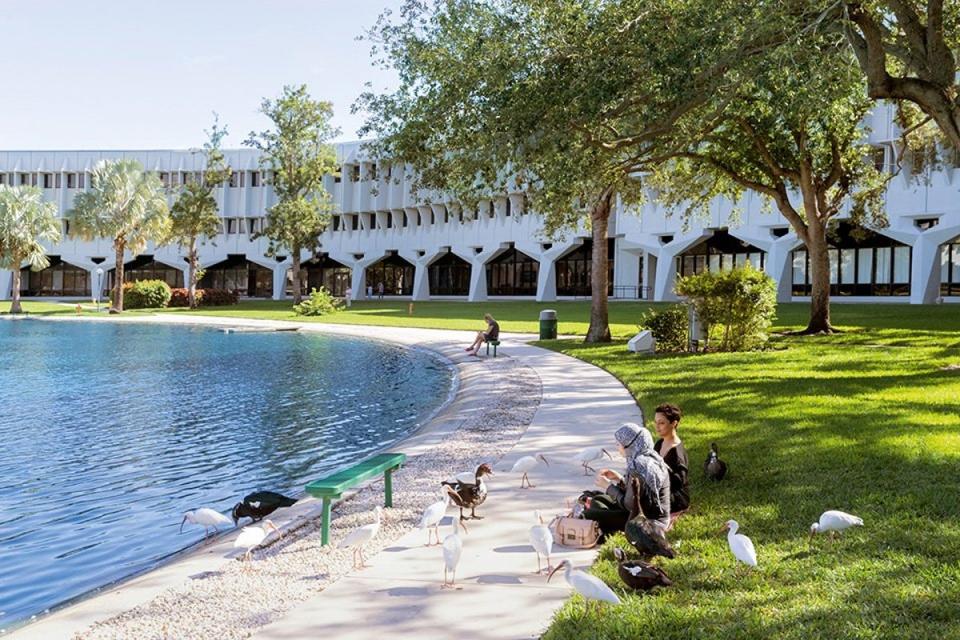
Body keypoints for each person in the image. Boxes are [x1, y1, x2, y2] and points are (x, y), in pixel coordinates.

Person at [594, 422, 671, 529]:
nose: (617, 447)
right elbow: (638, 492)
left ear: (629, 446)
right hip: (655, 517)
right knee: (599, 499)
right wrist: (619, 479)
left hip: (648, 523)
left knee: (593, 512)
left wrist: (608, 487)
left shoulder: (638, 466)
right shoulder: (650, 457)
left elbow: (629, 505)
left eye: (618, 444)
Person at [652, 403, 690, 527]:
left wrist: (663, 469)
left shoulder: (676, 452)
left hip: (676, 498)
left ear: (673, 423)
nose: (657, 427)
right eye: (655, 422)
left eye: (661, 423)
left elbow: (680, 481)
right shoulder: (659, 443)